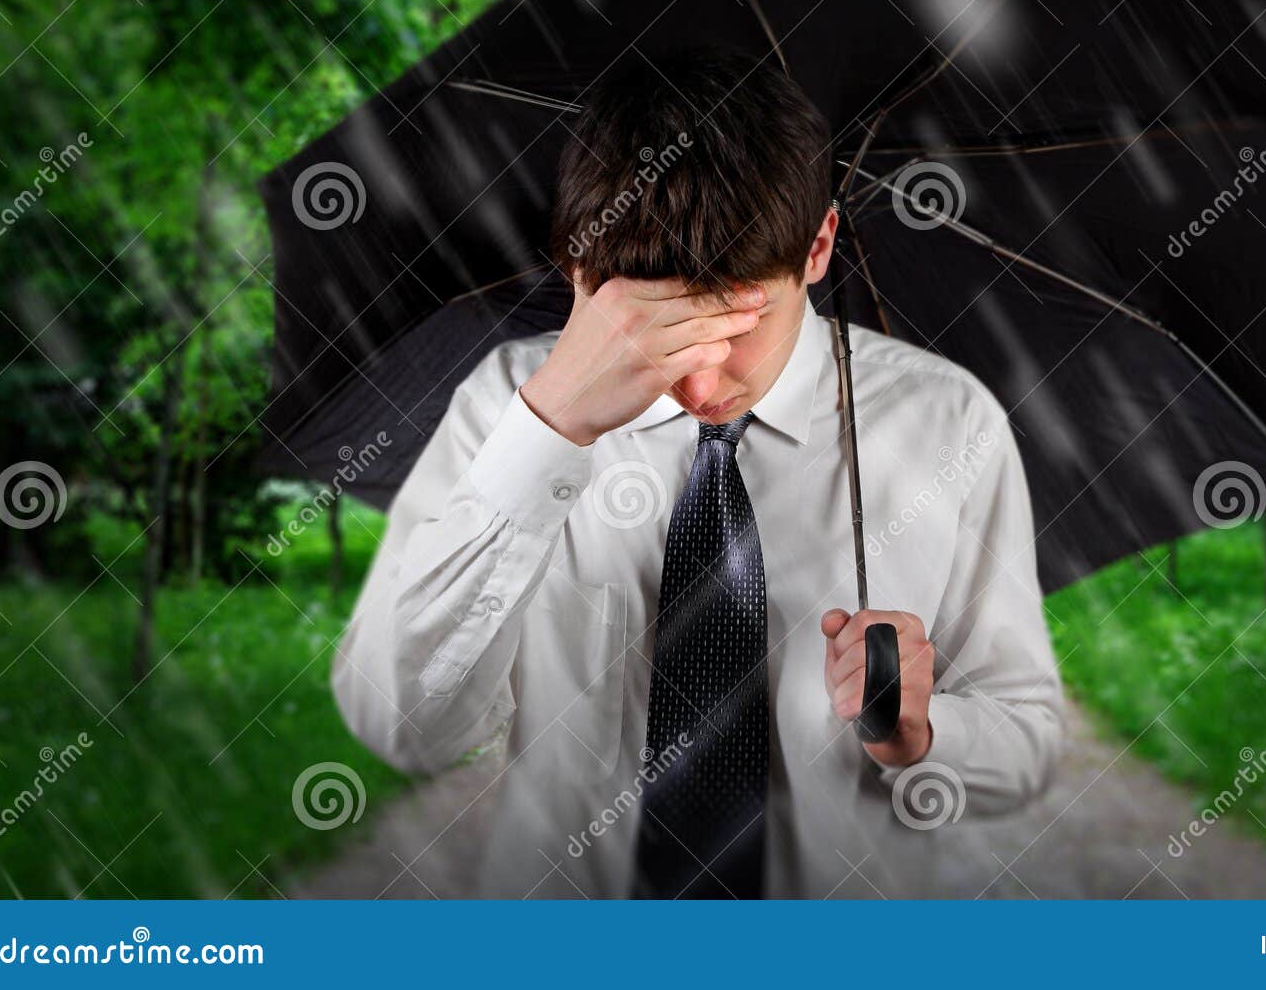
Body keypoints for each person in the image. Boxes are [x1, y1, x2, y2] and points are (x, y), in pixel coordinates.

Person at [332, 49, 1063, 899]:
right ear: (581, 273)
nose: (703, 383)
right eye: (662, 331)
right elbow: (402, 728)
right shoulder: (507, 403)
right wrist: (550, 429)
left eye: (738, 320)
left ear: (819, 243)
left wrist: (926, 732)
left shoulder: (950, 423)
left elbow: (1027, 736)